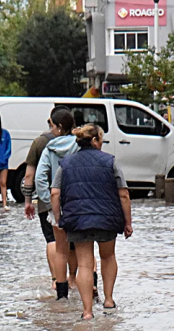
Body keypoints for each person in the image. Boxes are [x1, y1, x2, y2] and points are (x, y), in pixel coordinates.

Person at [51, 124, 133, 320]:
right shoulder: (110, 162)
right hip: (107, 218)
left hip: (78, 219)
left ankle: (87, 312)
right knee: (108, 257)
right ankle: (109, 301)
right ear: (95, 140)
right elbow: (124, 194)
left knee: (85, 264)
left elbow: (55, 193)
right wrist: (128, 222)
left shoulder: (66, 164)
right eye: (101, 140)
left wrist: (59, 218)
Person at [35, 108, 80, 300]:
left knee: (61, 251)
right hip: (80, 204)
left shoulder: (50, 148)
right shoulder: (80, 145)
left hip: (58, 204)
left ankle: (62, 295)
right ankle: (87, 286)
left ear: (60, 127)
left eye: (52, 125)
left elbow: (39, 178)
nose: (50, 129)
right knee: (83, 249)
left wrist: (48, 199)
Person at [23, 108, 68, 290]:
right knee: (74, 244)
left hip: (46, 200)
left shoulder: (40, 142)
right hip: (73, 199)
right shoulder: (77, 141)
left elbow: (29, 175)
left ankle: (56, 280)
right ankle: (75, 279)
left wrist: (28, 200)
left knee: (52, 240)